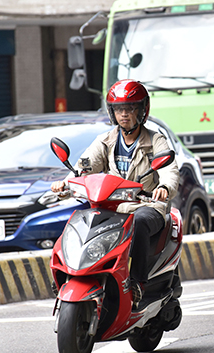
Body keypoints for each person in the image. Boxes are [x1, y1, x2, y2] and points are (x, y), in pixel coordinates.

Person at [51, 79, 179, 306]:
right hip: (113, 207)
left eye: (130, 108)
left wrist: (163, 188)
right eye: (119, 109)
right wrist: (66, 184)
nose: (124, 115)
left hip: (146, 206)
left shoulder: (155, 140)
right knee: (78, 221)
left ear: (142, 110)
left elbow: (169, 171)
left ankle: (138, 283)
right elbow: (84, 168)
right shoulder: (105, 141)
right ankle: (66, 274)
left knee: (138, 222)